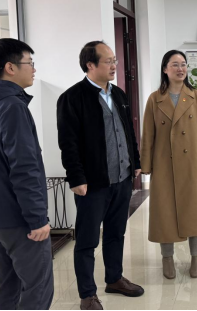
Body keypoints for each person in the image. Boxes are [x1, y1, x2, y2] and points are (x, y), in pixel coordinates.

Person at [57, 41, 144, 311]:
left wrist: (136, 162)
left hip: (122, 178)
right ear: (90, 65)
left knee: (116, 233)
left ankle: (114, 279)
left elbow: (128, 131)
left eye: (115, 60)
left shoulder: (118, 94)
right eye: (108, 61)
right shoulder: (72, 98)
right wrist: (76, 178)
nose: (114, 65)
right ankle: (87, 294)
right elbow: (68, 143)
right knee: (87, 240)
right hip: (92, 183)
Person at [0, 39, 53, 310]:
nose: (34, 69)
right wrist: (37, 218)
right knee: (37, 290)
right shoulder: (12, 106)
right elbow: (24, 167)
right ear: (10, 67)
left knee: (8, 286)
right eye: (30, 63)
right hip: (19, 219)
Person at [141, 50, 197, 281]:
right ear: (165, 69)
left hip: (192, 163)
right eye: (175, 64)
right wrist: (146, 165)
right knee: (164, 212)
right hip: (164, 164)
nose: (180, 69)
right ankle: (167, 258)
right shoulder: (155, 99)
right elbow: (148, 135)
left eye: (183, 64)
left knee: (195, 211)